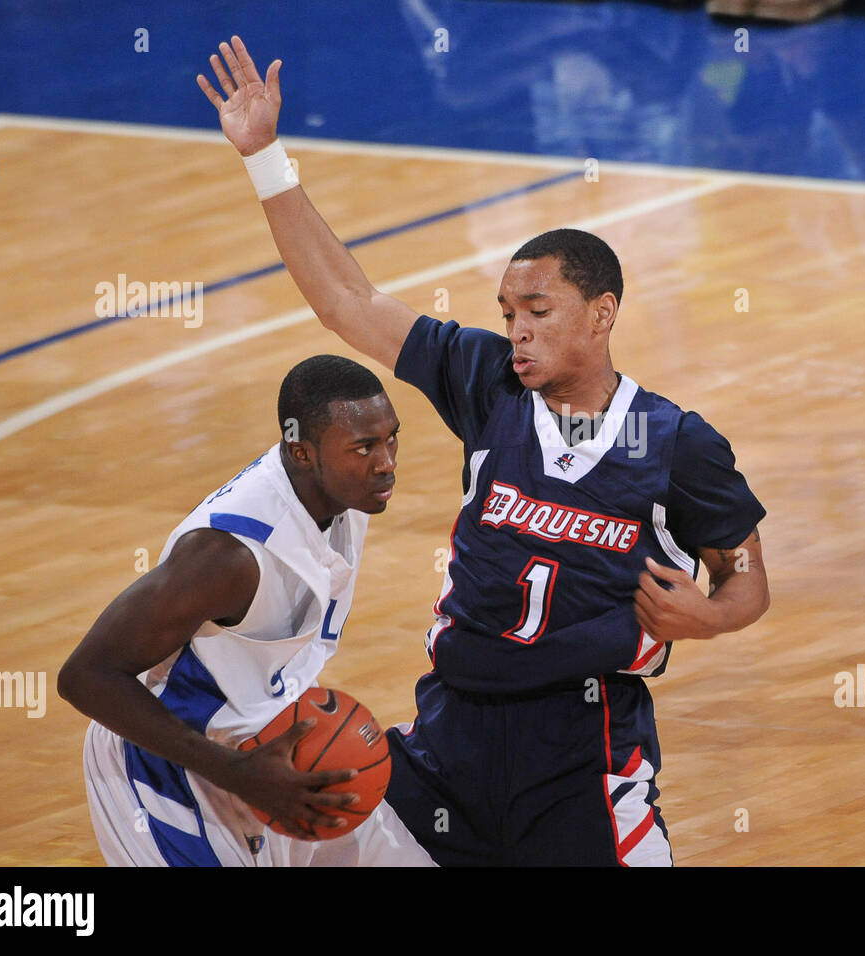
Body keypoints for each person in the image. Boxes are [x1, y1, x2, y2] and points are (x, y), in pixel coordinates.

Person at [197, 36, 770, 866]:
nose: (517, 330)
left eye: (537, 310)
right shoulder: (487, 381)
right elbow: (347, 302)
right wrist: (265, 160)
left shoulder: (676, 442)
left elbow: (747, 576)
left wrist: (711, 615)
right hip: (449, 739)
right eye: (508, 312)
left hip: (581, 750)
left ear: (602, 313)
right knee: (298, 844)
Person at [58, 355, 433, 866]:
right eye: (364, 447)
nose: (387, 461)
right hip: (170, 766)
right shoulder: (228, 555)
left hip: (273, 755)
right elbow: (86, 675)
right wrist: (234, 772)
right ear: (302, 452)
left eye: (391, 438)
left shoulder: (343, 492)